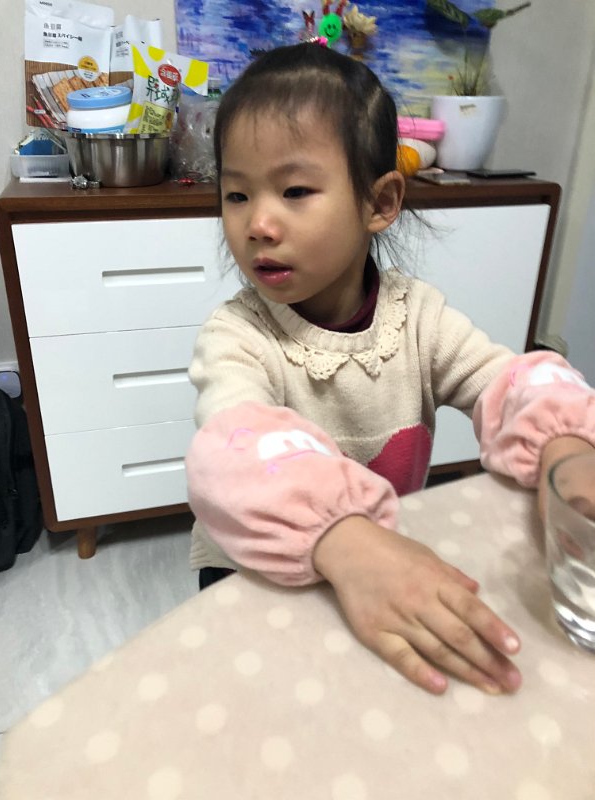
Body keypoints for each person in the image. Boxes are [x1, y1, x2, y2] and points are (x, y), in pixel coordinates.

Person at [185, 42, 595, 696]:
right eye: (236, 194)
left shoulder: (418, 317)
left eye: (294, 190)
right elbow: (234, 453)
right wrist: (344, 540)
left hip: (379, 567)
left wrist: (565, 443)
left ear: (379, 202)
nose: (257, 223)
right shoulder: (238, 336)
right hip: (258, 577)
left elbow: (508, 380)